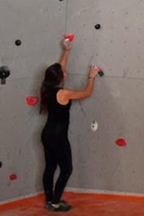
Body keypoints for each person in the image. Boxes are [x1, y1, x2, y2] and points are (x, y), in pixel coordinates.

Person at [39, 38, 101, 212]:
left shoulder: (48, 87)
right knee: (66, 169)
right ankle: (55, 202)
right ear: (60, 77)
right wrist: (91, 76)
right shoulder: (63, 93)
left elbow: (59, 67)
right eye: (64, 72)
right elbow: (86, 93)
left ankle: (49, 200)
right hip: (58, 136)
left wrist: (66, 51)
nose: (66, 72)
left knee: (50, 167)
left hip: (47, 134)